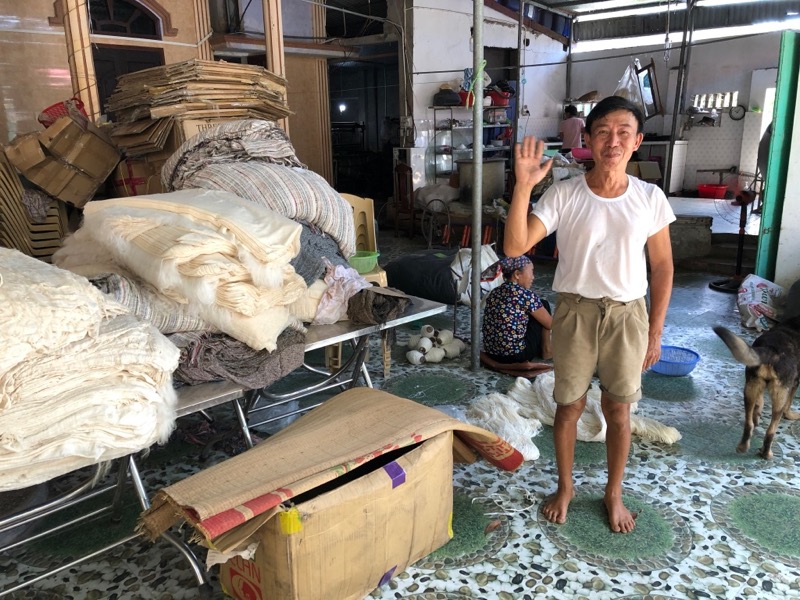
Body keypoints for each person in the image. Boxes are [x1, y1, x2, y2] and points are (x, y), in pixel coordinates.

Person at [504, 96, 675, 533]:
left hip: (627, 315)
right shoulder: (565, 194)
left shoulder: (649, 197)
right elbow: (514, 247)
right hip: (575, 313)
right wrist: (524, 186)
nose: (612, 141)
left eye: (622, 133)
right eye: (603, 132)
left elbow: (662, 267)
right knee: (568, 407)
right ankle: (566, 487)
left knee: (619, 412)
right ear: (588, 140)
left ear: (637, 141)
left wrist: (655, 332)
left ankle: (613, 494)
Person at [482, 255, 553, 363]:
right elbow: (550, 324)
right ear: (517, 274)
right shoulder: (525, 295)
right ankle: (547, 351)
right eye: (531, 272)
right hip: (517, 355)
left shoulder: (495, 292)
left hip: (492, 353)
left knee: (533, 309)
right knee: (544, 305)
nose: (533, 277)